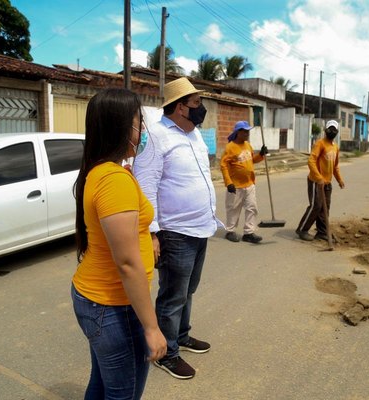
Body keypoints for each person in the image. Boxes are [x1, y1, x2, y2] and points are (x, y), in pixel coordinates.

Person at [71, 88, 167, 399]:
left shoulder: (105, 171)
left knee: (101, 386)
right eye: (140, 122)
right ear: (121, 126)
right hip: (112, 306)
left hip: (100, 301)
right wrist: (152, 328)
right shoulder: (113, 180)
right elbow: (126, 264)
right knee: (122, 394)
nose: (143, 131)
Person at [133, 77, 221, 380]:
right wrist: (152, 233)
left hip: (199, 229)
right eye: (196, 103)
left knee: (188, 290)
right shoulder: (156, 137)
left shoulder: (194, 135)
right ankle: (166, 353)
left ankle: (181, 335)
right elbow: (146, 187)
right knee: (172, 295)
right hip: (174, 232)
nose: (201, 108)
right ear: (181, 107)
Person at [295, 120, 345, 241]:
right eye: (330, 129)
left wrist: (339, 180)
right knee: (315, 206)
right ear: (325, 130)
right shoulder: (320, 144)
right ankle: (302, 229)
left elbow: (335, 166)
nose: (331, 131)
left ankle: (322, 232)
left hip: (327, 183)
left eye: (334, 130)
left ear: (337, 132)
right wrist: (318, 178)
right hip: (315, 181)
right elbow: (311, 161)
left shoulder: (335, 148)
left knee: (325, 208)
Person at [220, 121, 267, 243]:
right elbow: (223, 165)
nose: (247, 133)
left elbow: (253, 160)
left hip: (249, 183)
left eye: (248, 131)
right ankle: (230, 231)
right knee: (233, 209)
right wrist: (228, 183)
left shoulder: (248, 145)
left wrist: (261, 154)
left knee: (252, 207)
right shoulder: (230, 147)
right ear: (238, 132)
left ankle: (249, 233)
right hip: (235, 186)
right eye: (245, 131)